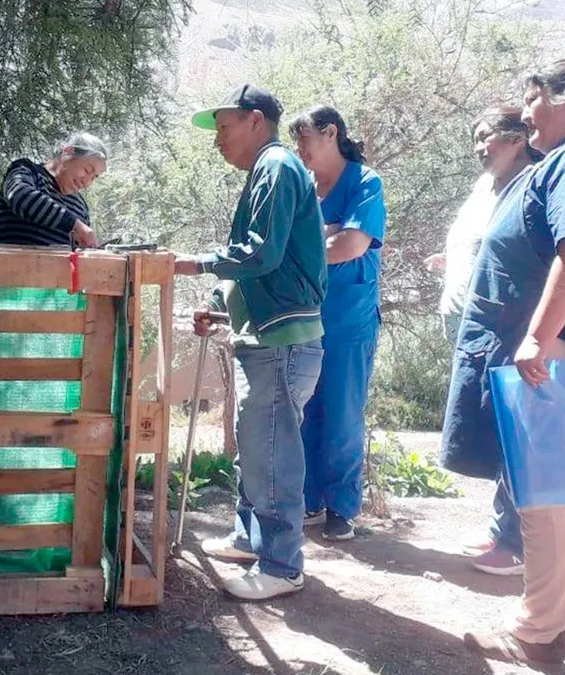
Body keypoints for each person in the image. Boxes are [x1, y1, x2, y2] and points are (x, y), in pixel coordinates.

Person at [440, 59, 565, 664]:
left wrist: (535, 339)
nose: (524, 115)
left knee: (547, 497)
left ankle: (535, 632)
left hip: (559, 351)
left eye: (532, 101)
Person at [173, 83, 326, 601]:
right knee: (257, 447)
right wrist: (217, 303)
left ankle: (283, 566)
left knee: (274, 453)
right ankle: (250, 538)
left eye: (223, 126)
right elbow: (257, 265)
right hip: (267, 338)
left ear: (255, 121)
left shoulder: (277, 167)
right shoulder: (269, 170)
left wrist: (195, 263)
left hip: (283, 340)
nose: (217, 140)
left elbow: (260, 253)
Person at [427, 107, 541, 576]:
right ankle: (501, 530)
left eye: (486, 137)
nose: (479, 147)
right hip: (474, 328)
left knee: (515, 431)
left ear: (516, 137)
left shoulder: (532, 184)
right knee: (495, 431)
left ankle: (517, 544)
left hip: (508, 330)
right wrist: (450, 259)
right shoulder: (488, 185)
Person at [287, 106, 386, 541]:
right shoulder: (305, 188)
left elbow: (351, 245)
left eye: (305, 139)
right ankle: (307, 501)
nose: (299, 150)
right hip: (304, 318)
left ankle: (341, 509)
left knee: (343, 414)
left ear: (331, 134)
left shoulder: (365, 183)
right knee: (302, 411)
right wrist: (322, 237)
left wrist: (308, 247)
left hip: (349, 319)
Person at [0, 133, 108, 248]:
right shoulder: (27, 170)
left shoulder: (80, 206)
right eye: (87, 170)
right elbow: (19, 196)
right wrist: (75, 225)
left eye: (94, 177)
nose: (87, 182)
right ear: (67, 153)